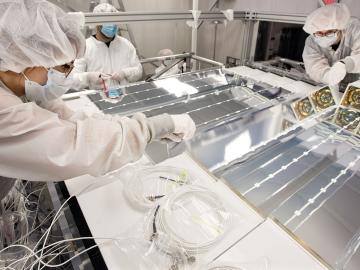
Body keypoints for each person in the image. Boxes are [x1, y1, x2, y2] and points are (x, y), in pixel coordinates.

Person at [0, 0, 196, 201]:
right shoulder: (3, 110)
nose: (67, 75)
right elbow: (73, 148)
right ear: (22, 60)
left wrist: (134, 127)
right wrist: (149, 129)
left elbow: (73, 118)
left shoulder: (22, 88)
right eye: (64, 67)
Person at [72, 3, 143, 89]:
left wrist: (125, 73)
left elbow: (139, 71)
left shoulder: (126, 44)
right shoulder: (84, 47)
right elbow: (71, 79)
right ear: (97, 23)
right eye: (108, 22)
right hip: (99, 98)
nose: (112, 26)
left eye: (115, 22)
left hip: (125, 95)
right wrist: (88, 77)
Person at [302, 3, 360, 91]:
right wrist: (328, 77)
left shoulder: (354, 29)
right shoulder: (312, 41)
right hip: (329, 87)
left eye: (329, 32)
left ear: (340, 28)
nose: (324, 36)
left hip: (356, 85)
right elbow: (314, 67)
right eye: (319, 33)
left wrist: (347, 64)